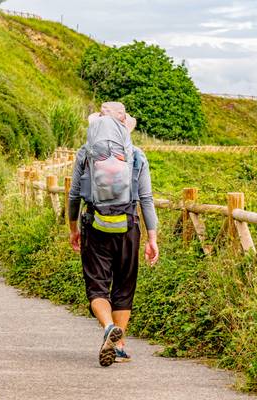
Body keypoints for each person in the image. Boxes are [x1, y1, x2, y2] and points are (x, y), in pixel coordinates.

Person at [67, 102, 159, 367]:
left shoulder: (86, 154)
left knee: (97, 285)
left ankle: (108, 327)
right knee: (124, 285)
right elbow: (146, 199)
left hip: (94, 224)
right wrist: (152, 238)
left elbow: (74, 195)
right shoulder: (137, 155)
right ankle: (118, 346)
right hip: (128, 226)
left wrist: (73, 229)